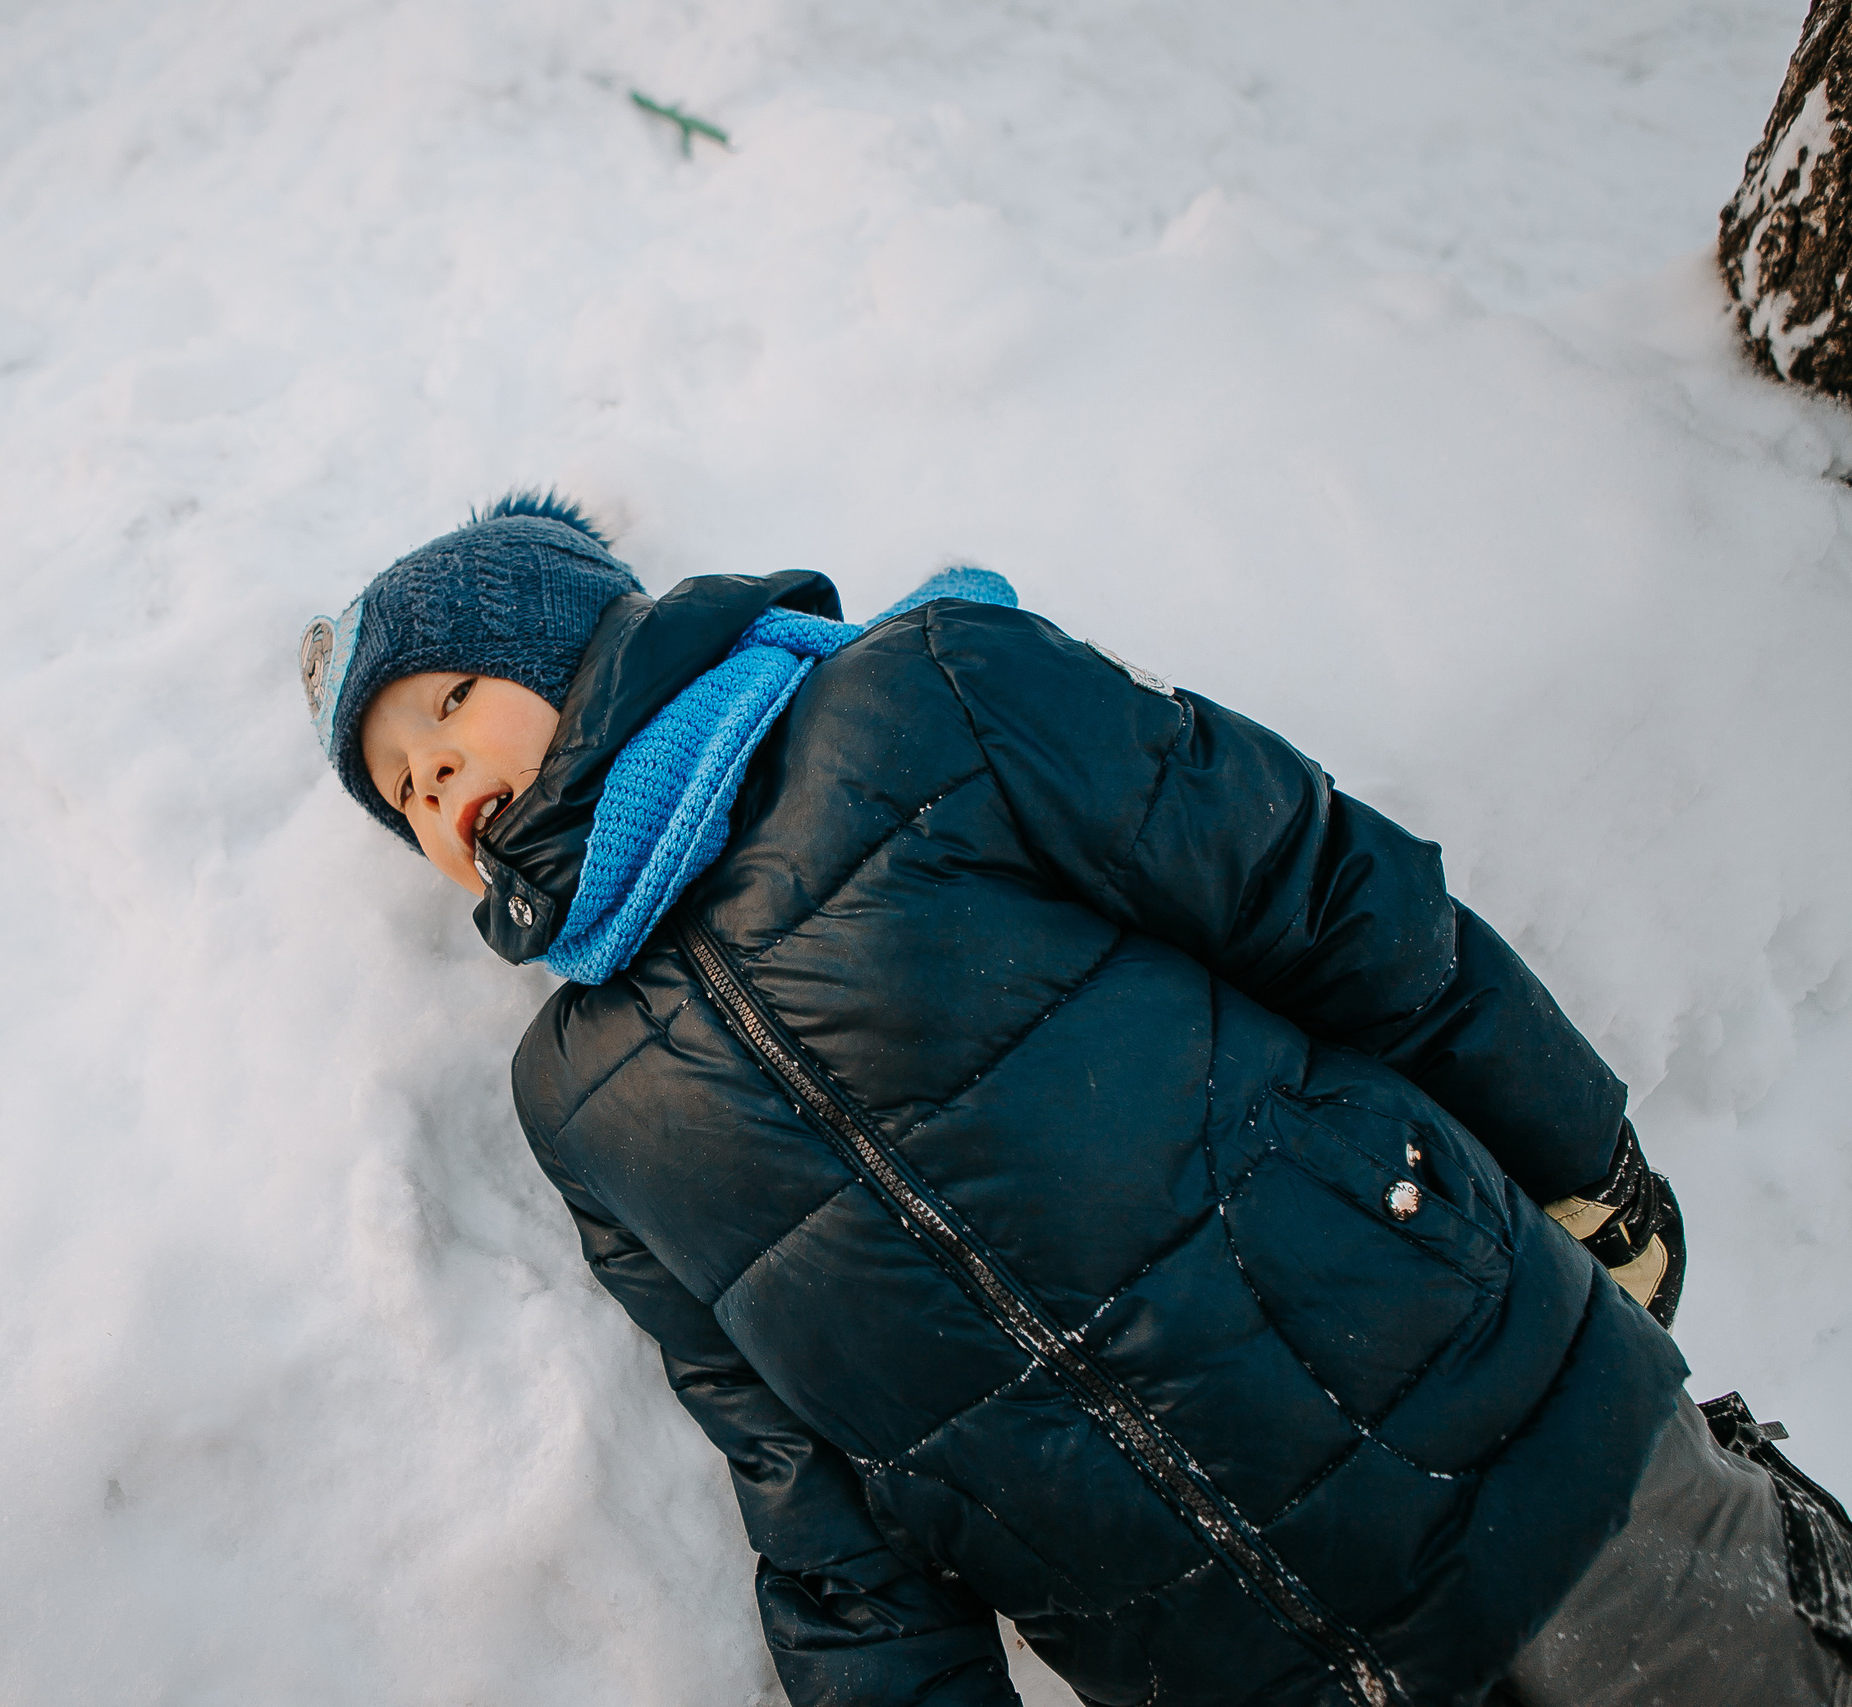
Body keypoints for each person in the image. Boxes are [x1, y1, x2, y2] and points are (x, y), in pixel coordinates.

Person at [298, 492, 1852, 1706]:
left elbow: (1322, 893)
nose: (436, 780)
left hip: (1508, 1426)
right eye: (402, 790)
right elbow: (795, 1469)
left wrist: (1580, 1156)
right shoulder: (582, 1095)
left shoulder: (921, 700)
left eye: (445, 704)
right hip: (1226, 1665)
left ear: (578, 640)